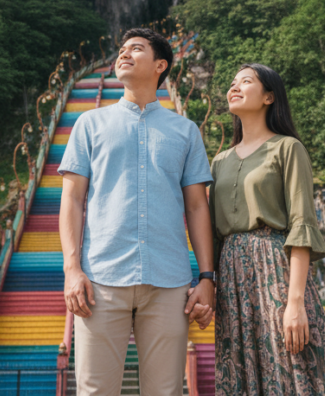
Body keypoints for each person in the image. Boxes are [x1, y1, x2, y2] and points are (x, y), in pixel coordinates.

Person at [59, 28, 216, 395]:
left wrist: (206, 277)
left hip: (169, 282)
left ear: (160, 65)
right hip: (101, 278)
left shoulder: (185, 131)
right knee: (94, 390)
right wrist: (71, 269)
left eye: (136, 49)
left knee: (166, 391)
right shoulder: (89, 124)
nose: (124, 54)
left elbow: (197, 206)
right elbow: (72, 200)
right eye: (122, 50)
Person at [211, 64, 325, 396]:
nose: (235, 87)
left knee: (291, 369)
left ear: (269, 96)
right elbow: (213, 234)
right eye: (232, 83)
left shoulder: (288, 148)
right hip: (231, 279)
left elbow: (302, 224)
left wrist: (295, 302)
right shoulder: (218, 161)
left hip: (276, 270)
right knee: (241, 372)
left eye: (246, 81)